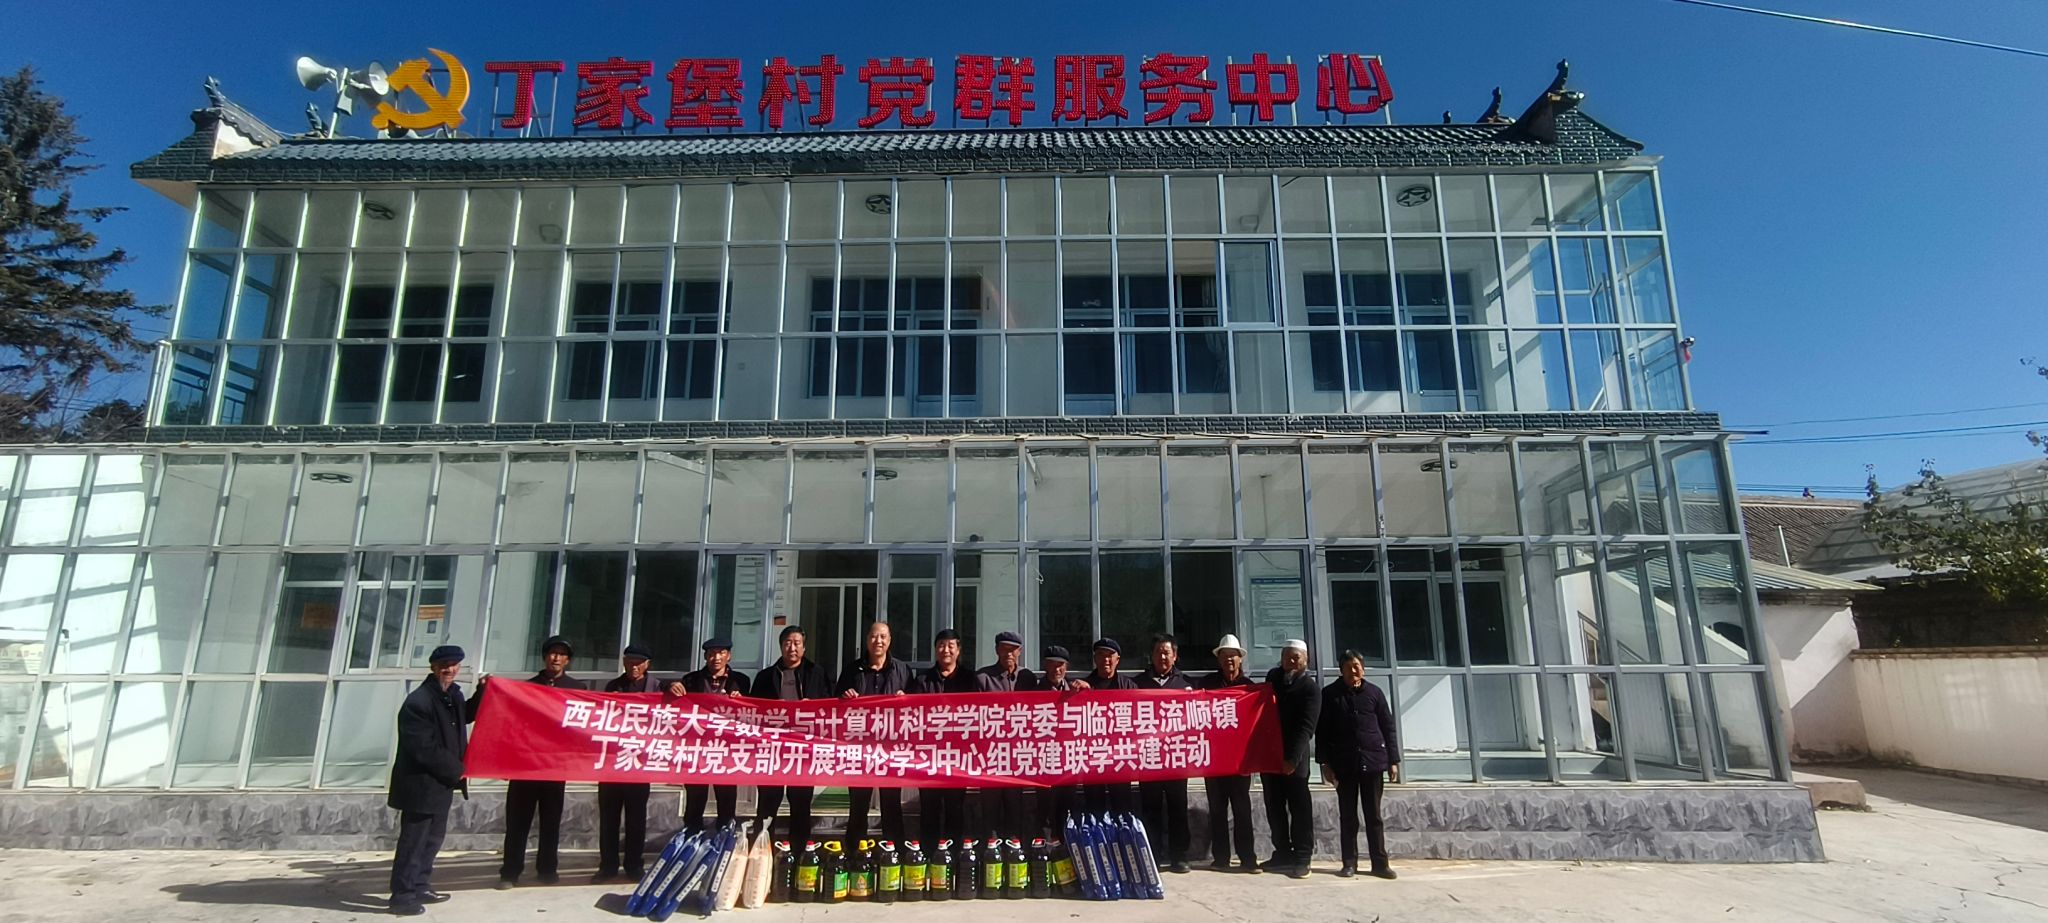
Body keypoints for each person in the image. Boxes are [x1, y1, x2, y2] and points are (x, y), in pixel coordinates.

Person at [481, 635, 586, 890]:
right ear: (545, 657)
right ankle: (510, 872)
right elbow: (509, 724)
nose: (556, 658)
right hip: (525, 765)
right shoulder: (527, 688)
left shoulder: (577, 689)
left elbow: (582, 729)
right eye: (552, 653)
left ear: (568, 660)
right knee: (518, 822)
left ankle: (547, 869)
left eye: (562, 654)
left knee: (551, 821)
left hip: (554, 766)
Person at [387, 645, 473, 916]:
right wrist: (457, 769)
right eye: (444, 665)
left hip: (441, 784)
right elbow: (423, 747)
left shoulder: (452, 694)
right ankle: (402, 896)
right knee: (413, 842)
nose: (449, 669)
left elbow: (465, 715)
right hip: (420, 785)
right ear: (433, 667)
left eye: (454, 664)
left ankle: (420, 885)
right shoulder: (419, 701)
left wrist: (486, 691)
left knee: (433, 839)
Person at [1317, 650, 1401, 880]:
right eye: (1348, 667)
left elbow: (1388, 727)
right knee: (1348, 817)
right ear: (1341, 670)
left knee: (1374, 816)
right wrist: (1325, 763)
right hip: (1344, 765)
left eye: (1357, 666)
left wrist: (1393, 760)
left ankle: (1380, 864)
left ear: (1363, 668)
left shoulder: (1374, 693)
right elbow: (1322, 732)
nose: (1353, 671)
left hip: (1372, 763)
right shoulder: (1330, 695)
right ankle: (1349, 863)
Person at [836, 621, 912, 844]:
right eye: (874, 636)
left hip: (891, 746)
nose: (878, 641)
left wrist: (905, 699)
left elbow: (916, 706)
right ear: (867, 639)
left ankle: (894, 852)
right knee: (858, 803)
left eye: (883, 637)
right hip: (860, 747)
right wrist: (845, 696)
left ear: (889, 641)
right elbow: (836, 701)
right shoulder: (852, 670)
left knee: (891, 802)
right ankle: (855, 853)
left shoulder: (902, 670)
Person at [594, 645, 666, 884]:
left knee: (636, 819)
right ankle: (608, 866)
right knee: (609, 818)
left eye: (639, 662)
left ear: (647, 665)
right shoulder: (612, 687)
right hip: (613, 764)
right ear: (624, 662)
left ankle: (634, 865)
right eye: (630, 661)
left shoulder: (657, 688)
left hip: (638, 764)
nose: (634, 666)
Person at [754, 625, 830, 845]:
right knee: (767, 804)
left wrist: (812, 706)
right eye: (788, 643)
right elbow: (752, 710)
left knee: (800, 804)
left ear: (804, 648)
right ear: (781, 646)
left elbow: (830, 705)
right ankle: (762, 851)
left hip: (803, 748)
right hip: (772, 749)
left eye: (797, 643)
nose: (792, 648)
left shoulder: (817, 674)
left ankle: (798, 852)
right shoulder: (766, 677)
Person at [1198, 634, 1259, 873]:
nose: (1229, 660)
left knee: (1242, 810)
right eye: (1225, 656)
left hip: (1240, 761)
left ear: (1240, 659)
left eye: (1233, 656)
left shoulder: (1250, 688)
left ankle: (1247, 858)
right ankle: (1221, 857)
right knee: (1217, 809)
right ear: (1219, 659)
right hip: (1213, 758)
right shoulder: (1207, 685)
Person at [1135, 633, 1194, 874]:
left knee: (1178, 807)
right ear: (1151, 655)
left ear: (1175, 656)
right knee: (1150, 808)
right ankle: (1153, 855)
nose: (1162, 657)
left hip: (1176, 757)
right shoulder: (1138, 684)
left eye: (1166, 652)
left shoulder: (1186, 684)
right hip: (1148, 757)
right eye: (1158, 652)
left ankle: (1180, 856)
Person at [1261, 638, 1321, 880]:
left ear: (1306, 660)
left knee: (1299, 810)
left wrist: (1292, 759)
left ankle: (1303, 857)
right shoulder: (1273, 679)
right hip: (1270, 757)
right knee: (1274, 807)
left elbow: (1306, 728)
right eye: (1288, 657)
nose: (1292, 661)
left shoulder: (1310, 688)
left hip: (1295, 760)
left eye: (1297, 657)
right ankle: (1282, 853)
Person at [914, 628, 977, 844]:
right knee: (929, 807)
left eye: (951, 646)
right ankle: (928, 852)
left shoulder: (970, 679)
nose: (946, 650)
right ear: (935, 650)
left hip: (957, 755)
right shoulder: (922, 680)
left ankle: (954, 853)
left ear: (958, 650)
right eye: (941, 645)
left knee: (955, 806)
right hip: (928, 755)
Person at [682, 637, 751, 831]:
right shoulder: (690, 680)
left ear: (729, 656)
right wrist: (670, 688)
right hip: (698, 748)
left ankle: (724, 839)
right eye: (712, 654)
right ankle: (691, 839)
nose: (716, 658)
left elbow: (752, 712)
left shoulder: (741, 681)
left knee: (726, 799)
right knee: (695, 799)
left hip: (726, 748)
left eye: (721, 653)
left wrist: (742, 701)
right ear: (705, 657)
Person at [973, 631, 1035, 839]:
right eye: (1004, 649)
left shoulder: (1027, 678)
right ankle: (991, 853)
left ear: (1020, 652)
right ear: (996, 650)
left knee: (1015, 808)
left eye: (1013, 650)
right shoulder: (983, 678)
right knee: (989, 810)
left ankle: (1014, 852)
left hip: (1017, 756)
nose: (1008, 654)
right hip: (990, 756)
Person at [1027, 644, 1085, 836]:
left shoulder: (1076, 690)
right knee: (1044, 806)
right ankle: (1044, 846)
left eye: (1060, 665)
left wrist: (1088, 690)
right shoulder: (1034, 692)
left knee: (1067, 804)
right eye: (1051, 665)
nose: (1056, 670)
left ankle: (1065, 843)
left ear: (1066, 667)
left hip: (1068, 759)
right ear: (1045, 665)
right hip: (1043, 759)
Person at [1080, 638, 1136, 816]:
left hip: (1120, 756)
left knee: (1122, 807)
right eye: (1101, 655)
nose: (1106, 660)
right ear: (1094, 658)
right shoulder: (1083, 687)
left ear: (1117, 660)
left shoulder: (1129, 686)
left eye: (1110, 655)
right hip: (1093, 757)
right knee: (1094, 808)